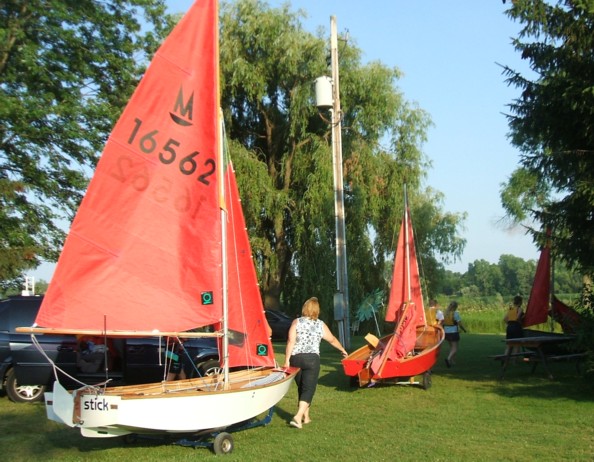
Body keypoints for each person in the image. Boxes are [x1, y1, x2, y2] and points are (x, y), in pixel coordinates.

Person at [283, 297, 348, 429]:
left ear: (304, 308)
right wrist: (342, 349)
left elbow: (291, 341)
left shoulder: (296, 322)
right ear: (317, 310)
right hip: (312, 359)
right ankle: (298, 416)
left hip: (296, 358)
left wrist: (286, 361)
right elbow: (332, 339)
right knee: (309, 388)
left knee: (302, 387)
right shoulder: (320, 324)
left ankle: (306, 417)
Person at [442, 301, 466, 368]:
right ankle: (448, 359)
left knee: (451, 347)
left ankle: (452, 361)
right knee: (455, 348)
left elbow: (443, 323)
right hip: (453, 332)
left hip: (446, 332)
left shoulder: (445, 313)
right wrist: (464, 329)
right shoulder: (455, 314)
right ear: (455, 307)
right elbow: (460, 324)